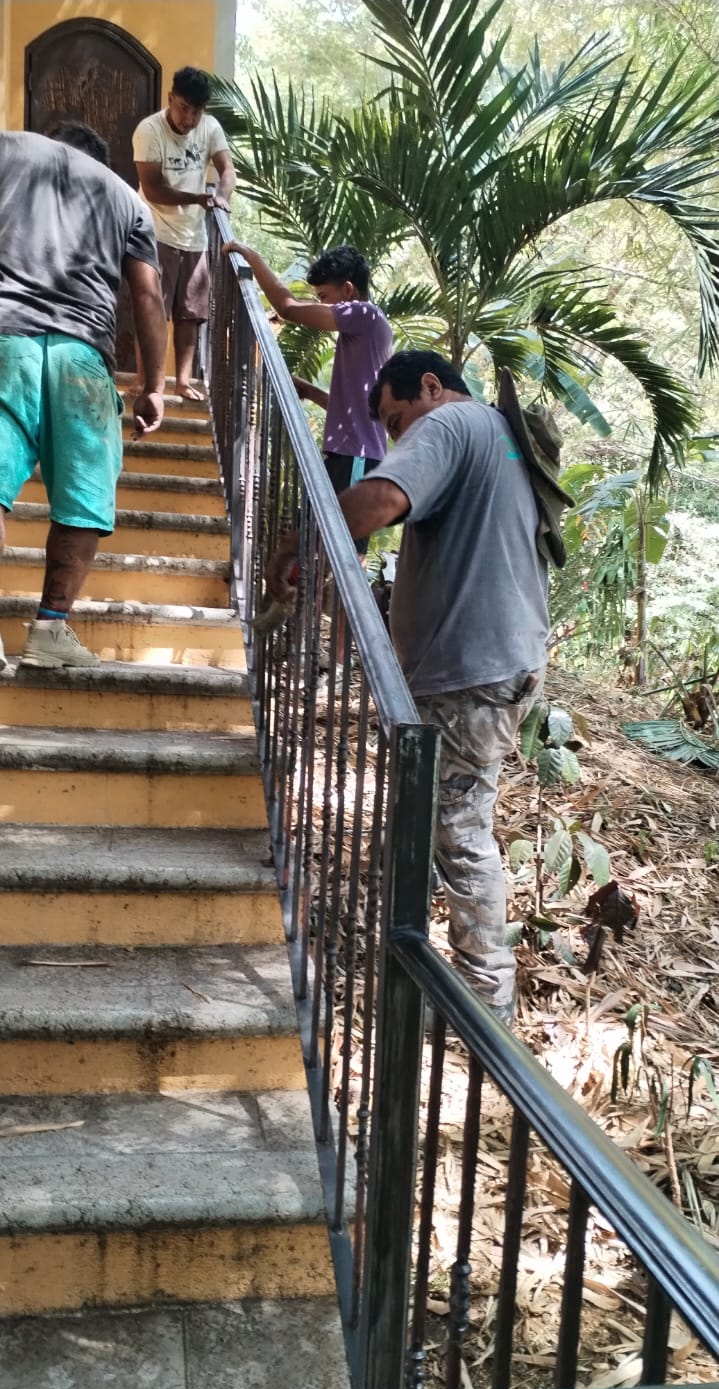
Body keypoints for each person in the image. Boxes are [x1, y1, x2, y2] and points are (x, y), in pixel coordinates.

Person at [269, 350, 549, 1026]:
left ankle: (487, 1013)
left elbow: (381, 498)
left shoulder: (451, 424)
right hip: (489, 663)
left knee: (460, 830)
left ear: (429, 386)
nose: (397, 439)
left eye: (396, 421)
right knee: (434, 821)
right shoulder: (497, 436)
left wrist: (294, 541)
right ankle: (426, 977)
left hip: (471, 670)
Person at [0, 124, 167, 672]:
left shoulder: (9, 148)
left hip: (7, 340)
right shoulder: (126, 196)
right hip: (82, 358)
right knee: (82, 498)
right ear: (101, 157)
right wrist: (153, 387)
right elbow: (147, 293)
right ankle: (50, 628)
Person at [221, 240, 392, 675]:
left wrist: (252, 257)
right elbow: (359, 400)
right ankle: (299, 638)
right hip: (348, 450)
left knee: (333, 554)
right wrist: (312, 392)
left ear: (349, 290)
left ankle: (314, 651)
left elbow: (290, 308)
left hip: (355, 455)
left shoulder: (366, 314)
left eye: (326, 297)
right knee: (315, 545)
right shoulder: (364, 332)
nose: (323, 305)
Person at [133, 66, 236, 401]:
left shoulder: (210, 128)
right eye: (183, 107)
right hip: (154, 230)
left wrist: (222, 195)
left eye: (196, 111)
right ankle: (147, 381)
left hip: (194, 236)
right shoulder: (149, 131)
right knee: (153, 310)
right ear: (169, 99)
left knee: (190, 313)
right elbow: (154, 190)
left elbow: (227, 169)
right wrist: (197, 198)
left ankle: (183, 381)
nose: (189, 118)